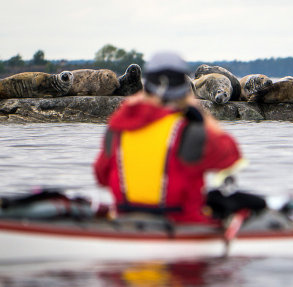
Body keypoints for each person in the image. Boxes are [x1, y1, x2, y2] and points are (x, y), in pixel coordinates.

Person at [93, 51, 265, 224]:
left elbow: (101, 176)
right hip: (182, 223)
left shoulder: (116, 130)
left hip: (126, 219)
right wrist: (198, 112)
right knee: (248, 203)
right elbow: (231, 157)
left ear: (147, 87)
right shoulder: (189, 132)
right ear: (184, 91)